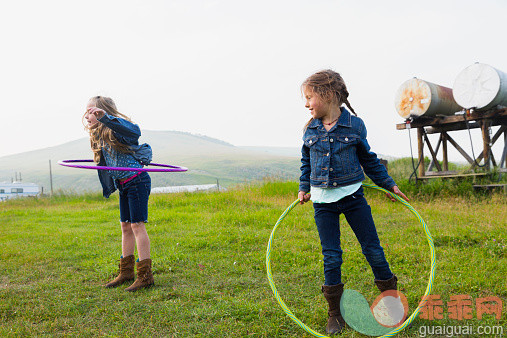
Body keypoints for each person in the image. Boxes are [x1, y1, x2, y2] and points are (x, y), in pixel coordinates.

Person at [298, 70, 409, 335]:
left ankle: (392, 305)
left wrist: (388, 183)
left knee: (373, 250)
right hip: (323, 203)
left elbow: (369, 159)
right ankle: (335, 314)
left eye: (309, 97)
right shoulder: (309, 129)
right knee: (332, 257)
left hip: (353, 199)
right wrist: (304, 187)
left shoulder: (355, 126)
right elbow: (306, 162)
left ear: (327, 95)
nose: (306, 104)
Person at [84, 96, 154, 292]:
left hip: (136, 180)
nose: (87, 116)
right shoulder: (98, 135)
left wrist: (107, 118)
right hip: (123, 183)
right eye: (87, 112)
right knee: (125, 226)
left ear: (103, 112)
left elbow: (134, 131)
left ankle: (145, 275)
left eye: (92, 112)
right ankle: (126, 272)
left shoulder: (118, 131)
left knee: (137, 225)